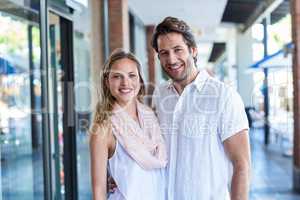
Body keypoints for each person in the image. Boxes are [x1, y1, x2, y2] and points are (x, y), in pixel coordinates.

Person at [150, 16, 251, 200]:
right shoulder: (160, 94)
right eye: (164, 53)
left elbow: (241, 164)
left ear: (193, 51)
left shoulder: (223, 97)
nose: (171, 59)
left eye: (178, 50)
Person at [89, 49, 168, 200]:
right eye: (117, 76)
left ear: (140, 80)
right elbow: (99, 190)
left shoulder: (152, 117)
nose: (125, 83)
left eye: (132, 75)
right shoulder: (103, 129)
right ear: (107, 82)